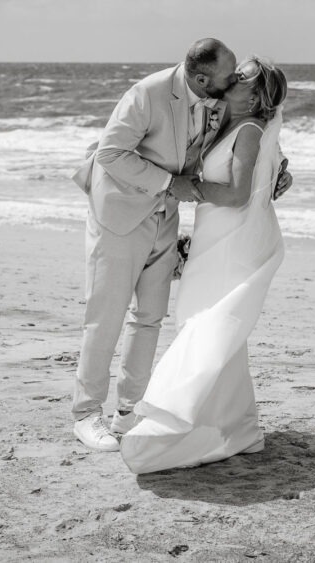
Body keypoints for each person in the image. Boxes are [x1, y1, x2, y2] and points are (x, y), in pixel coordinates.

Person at [70, 39, 292, 452]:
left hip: (166, 217)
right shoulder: (147, 93)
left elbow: (249, 136)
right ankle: (86, 414)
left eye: (238, 77)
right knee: (105, 316)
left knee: (149, 317)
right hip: (120, 215)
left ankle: (129, 411)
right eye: (231, 76)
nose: (233, 82)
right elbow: (110, 153)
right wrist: (172, 183)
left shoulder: (215, 98)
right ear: (203, 76)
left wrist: (278, 169)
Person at [120, 57, 288, 473]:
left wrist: (185, 187)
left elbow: (236, 196)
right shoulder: (223, 120)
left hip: (235, 241)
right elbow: (270, 170)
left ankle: (173, 415)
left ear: (254, 96)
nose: (233, 77)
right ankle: (237, 427)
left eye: (243, 75)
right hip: (215, 237)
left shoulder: (248, 130)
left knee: (211, 324)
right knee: (208, 322)